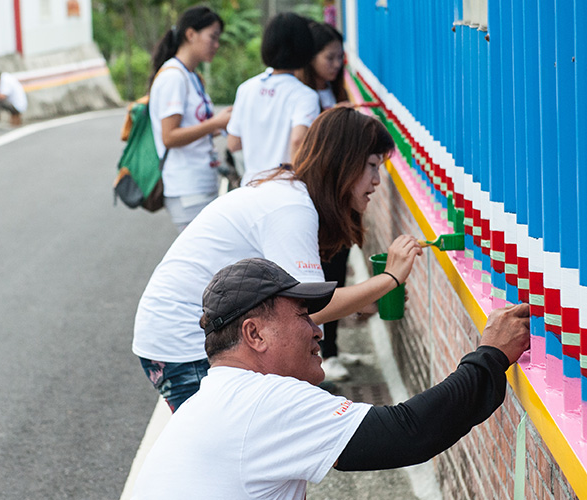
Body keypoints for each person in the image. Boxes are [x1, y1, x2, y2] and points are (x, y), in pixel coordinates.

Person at [130, 258, 532, 499]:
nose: (318, 330)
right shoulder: (260, 400)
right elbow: (409, 434)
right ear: (254, 334)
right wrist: (491, 355)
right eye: (303, 316)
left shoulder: (214, 398)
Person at [133, 107, 419, 411]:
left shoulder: (290, 190)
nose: (377, 180)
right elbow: (307, 309)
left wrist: (362, 304)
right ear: (344, 162)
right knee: (231, 449)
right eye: (372, 165)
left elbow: (298, 306)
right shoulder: (292, 209)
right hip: (186, 341)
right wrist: (389, 279)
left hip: (189, 335)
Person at [296, 21, 352, 380]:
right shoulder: (303, 98)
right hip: (319, 198)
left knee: (338, 270)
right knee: (320, 278)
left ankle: (330, 349)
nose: (335, 64)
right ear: (309, 59)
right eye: (328, 57)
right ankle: (319, 353)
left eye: (339, 57)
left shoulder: (332, 90)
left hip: (337, 195)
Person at [148, 6, 232, 232]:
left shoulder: (191, 76)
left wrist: (220, 126)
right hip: (187, 187)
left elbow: (194, 127)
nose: (216, 45)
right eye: (212, 37)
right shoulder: (174, 77)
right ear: (190, 34)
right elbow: (169, 136)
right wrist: (214, 123)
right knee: (202, 263)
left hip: (200, 182)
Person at [226, 12, 320, 185]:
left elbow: (233, 143)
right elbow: (298, 140)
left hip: (251, 186)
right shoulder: (305, 95)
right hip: (284, 186)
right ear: (305, 47)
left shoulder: (246, 88)